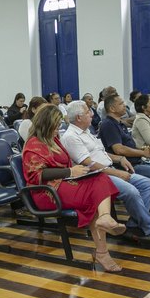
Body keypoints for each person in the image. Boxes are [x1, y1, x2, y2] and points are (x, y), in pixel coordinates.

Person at [23, 104, 126, 271]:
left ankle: (105, 218)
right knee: (95, 195)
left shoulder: (52, 139)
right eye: (56, 125)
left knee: (100, 177)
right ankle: (102, 252)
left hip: (63, 182)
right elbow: (36, 175)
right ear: (47, 124)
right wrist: (70, 171)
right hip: (46, 192)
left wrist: (74, 172)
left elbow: (65, 162)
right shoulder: (33, 144)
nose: (59, 128)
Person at [62, 101, 150, 249]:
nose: (92, 114)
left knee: (147, 184)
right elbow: (88, 163)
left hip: (108, 169)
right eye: (87, 112)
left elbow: (102, 153)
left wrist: (119, 159)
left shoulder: (87, 131)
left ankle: (133, 225)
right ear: (79, 117)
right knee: (131, 191)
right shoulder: (71, 137)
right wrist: (117, 172)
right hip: (96, 176)